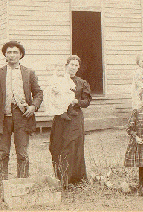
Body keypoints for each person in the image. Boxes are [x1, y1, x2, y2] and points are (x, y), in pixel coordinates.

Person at [0, 41, 43, 180]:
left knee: (22, 153)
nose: (12, 55)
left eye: (15, 52)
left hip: (22, 117)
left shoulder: (29, 73)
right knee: (2, 153)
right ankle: (2, 185)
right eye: (9, 52)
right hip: (2, 117)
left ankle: (22, 183)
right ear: (5, 55)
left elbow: (38, 93)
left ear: (21, 55)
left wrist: (33, 106)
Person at [49, 55, 92, 187]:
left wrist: (77, 101)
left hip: (74, 118)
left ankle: (74, 178)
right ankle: (60, 176)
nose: (73, 67)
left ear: (78, 67)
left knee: (72, 146)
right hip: (60, 117)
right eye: (71, 64)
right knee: (57, 145)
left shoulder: (81, 83)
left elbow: (87, 101)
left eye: (76, 65)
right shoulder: (58, 79)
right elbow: (51, 95)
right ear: (66, 65)